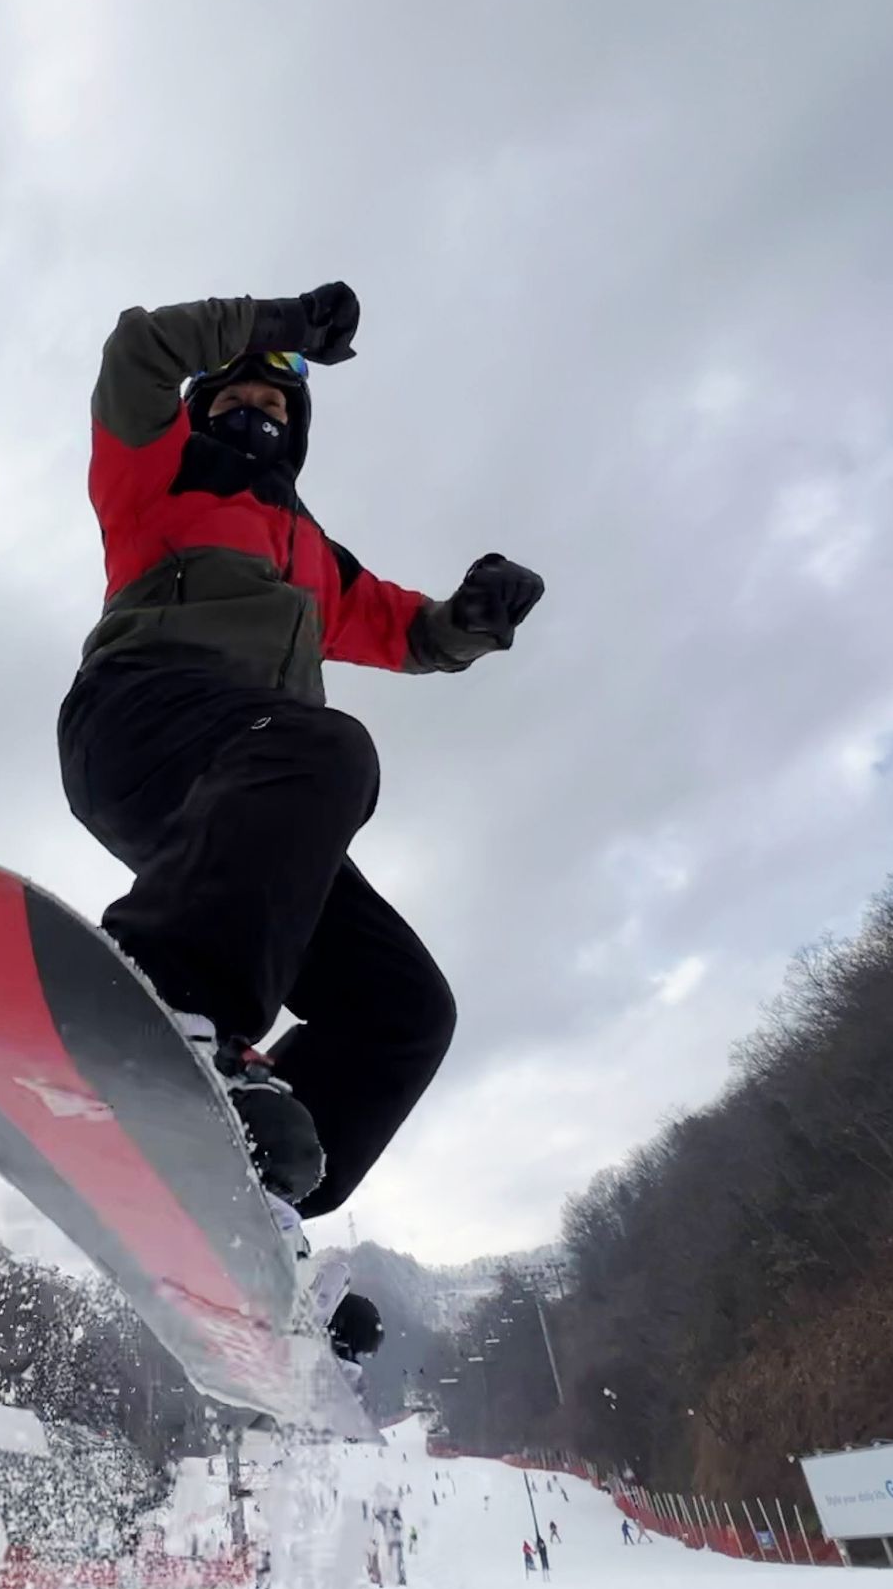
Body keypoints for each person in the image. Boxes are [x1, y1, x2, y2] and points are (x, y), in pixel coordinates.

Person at [60, 283, 543, 1338]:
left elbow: (409, 632)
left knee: (406, 1010)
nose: (260, 414)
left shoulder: (314, 558)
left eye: (280, 411)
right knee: (332, 748)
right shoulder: (159, 462)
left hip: (252, 806)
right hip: (142, 723)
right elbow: (140, 348)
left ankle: (252, 1194)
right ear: (205, 406)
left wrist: (475, 619)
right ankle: (163, 996)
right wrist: (276, 328)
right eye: (240, 397)